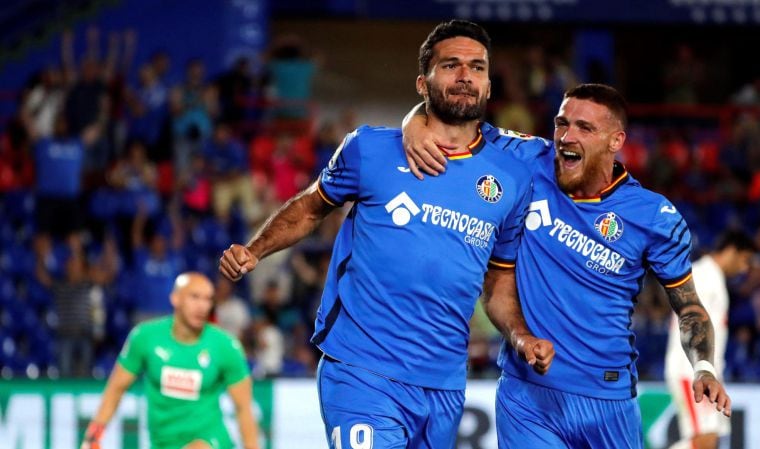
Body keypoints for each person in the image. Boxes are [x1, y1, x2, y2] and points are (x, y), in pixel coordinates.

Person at [219, 20, 554, 449]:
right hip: (363, 370)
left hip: (444, 382)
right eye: (450, 65)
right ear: (422, 82)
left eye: (477, 67)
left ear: (489, 85)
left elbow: (499, 278)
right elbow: (310, 207)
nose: (465, 75)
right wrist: (254, 250)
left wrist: (522, 336)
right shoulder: (371, 149)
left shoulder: (514, 173)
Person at [402, 83, 731, 448]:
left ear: (615, 141)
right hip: (527, 397)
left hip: (608, 404)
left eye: (584, 128)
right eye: (562, 123)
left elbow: (688, 306)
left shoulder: (654, 216)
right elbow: (452, 125)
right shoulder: (529, 157)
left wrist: (704, 366)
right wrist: (413, 123)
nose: (566, 136)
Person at [80, 272, 260, 449]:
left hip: (210, 441)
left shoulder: (226, 346)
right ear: (175, 298)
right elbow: (116, 389)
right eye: (195, 297)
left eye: (208, 299)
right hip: (162, 443)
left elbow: (244, 408)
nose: (202, 306)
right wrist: (92, 437)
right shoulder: (145, 337)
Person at [665, 230, 757, 449]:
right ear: (731, 251)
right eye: (744, 260)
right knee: (705, 440)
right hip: (692, 369)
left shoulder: (712, 277)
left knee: (710, 439)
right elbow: (691, 322)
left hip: (707, 371)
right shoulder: (703, 275)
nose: (744, 269)